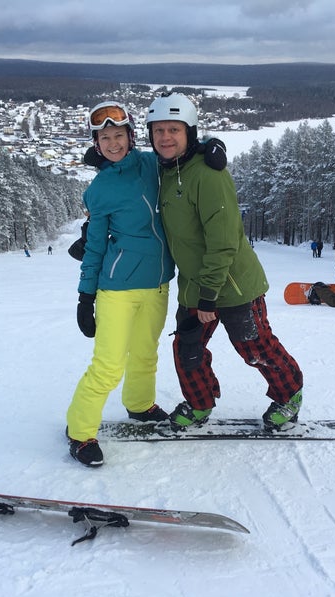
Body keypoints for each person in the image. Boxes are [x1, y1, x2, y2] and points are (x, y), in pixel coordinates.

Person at [66, 100, 227, 467]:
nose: (113, 143)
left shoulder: (150, 163)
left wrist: (211, 147)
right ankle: (79, 432)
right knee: (107, 365)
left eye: (118, 135)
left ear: (131, 136)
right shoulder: (100, 190)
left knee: (145, 353)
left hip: (158, 283)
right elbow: (93, 246)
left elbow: (179, 152)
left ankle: (139, 405)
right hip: (116, 290)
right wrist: (85, 296)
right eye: (104, 138)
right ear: (96, 144)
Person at [146, 93, 303, 432]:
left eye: (174, 129)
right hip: (193, 283)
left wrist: (208, 295)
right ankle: (200, 404)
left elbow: (224, 240)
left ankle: (289, 395)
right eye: (158, 131)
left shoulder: (207, 175)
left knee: (254, 347)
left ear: (190, 133)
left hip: (231, 285)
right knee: (187, 349)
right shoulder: (168, 172)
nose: (166, 137)